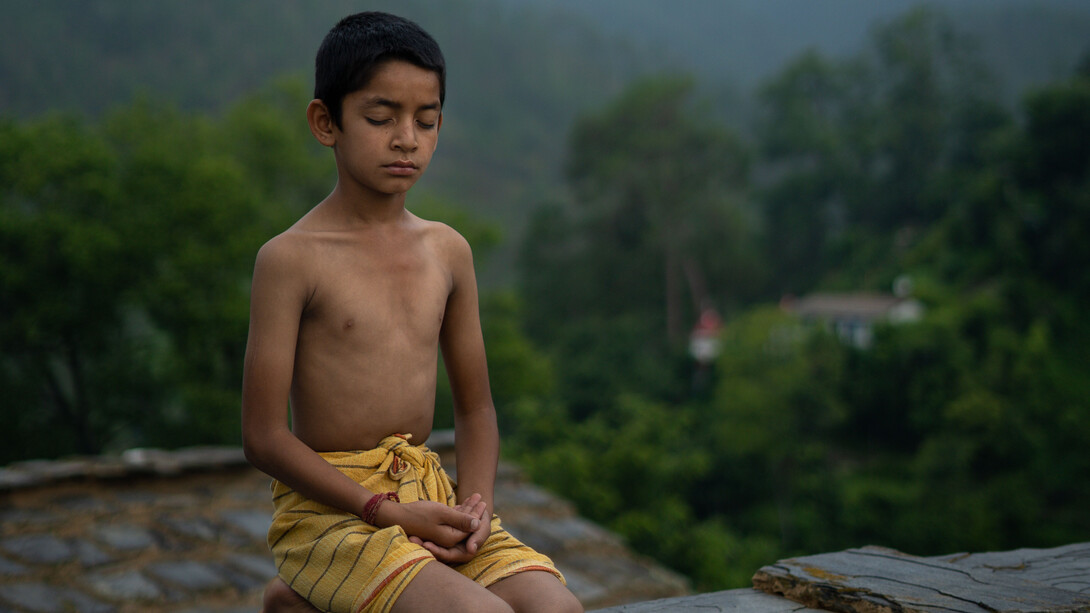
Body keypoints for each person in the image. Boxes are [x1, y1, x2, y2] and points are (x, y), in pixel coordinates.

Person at [241, 11, 583, 613]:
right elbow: (263, 436)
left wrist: (475, 509)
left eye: (426, 121)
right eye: (381, 118)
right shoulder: (291, 259)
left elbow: (476, 409)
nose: (407, 138)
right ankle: (307, 590)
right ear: (326, 122)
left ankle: (304, 605)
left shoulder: (447, 251)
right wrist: (381, 509)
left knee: (558, 608)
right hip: (331, 513)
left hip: (428, 494)